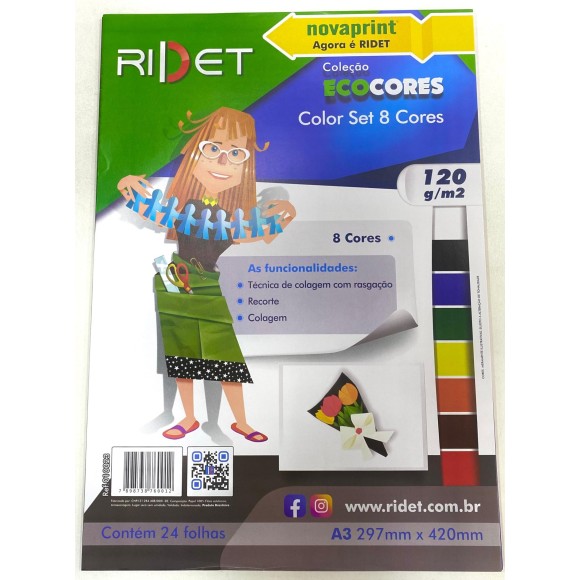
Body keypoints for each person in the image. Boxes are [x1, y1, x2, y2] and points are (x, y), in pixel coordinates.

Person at [117, 107, 295, 442]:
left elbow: (259, 231)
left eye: (236, 154)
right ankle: (188, 417)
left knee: (223, 355)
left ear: (247, 166)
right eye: (212, 149)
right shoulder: (184, 207)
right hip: (175, 276)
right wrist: (129, 188)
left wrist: (282, 214)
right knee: (180, 352)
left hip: (208, 282)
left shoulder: (234, 217)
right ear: (193, 152)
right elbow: (153, 214)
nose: (223, 161)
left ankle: (239, 421)